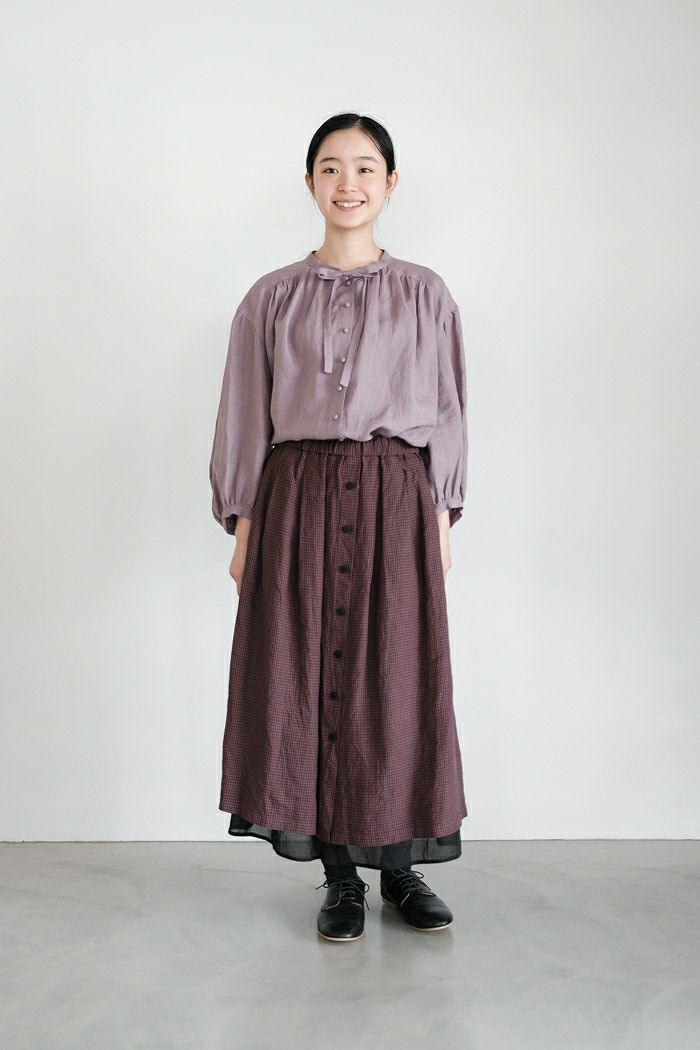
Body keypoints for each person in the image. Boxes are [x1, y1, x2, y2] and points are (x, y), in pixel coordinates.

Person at [209, 112, 469, 943]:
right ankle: (340, 879)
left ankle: (399, 868)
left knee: (394, 679)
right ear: (309, 182)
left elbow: (447, 411)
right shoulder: (271, 297)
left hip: (397, 494)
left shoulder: (425, 293)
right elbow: (244, 415)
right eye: (330, 167)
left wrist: (442, 518)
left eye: (363, 167)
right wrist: (244, 528)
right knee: (301, 674)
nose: (347, 183)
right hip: (297, 495)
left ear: (390, 182)